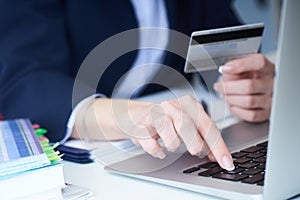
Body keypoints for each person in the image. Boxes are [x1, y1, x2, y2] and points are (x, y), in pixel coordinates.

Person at [0, 0, 274, 171]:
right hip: (83, 158)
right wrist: (130, 115)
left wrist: (248, 84)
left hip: (176, 145)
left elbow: (220, 36)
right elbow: (24, 79)